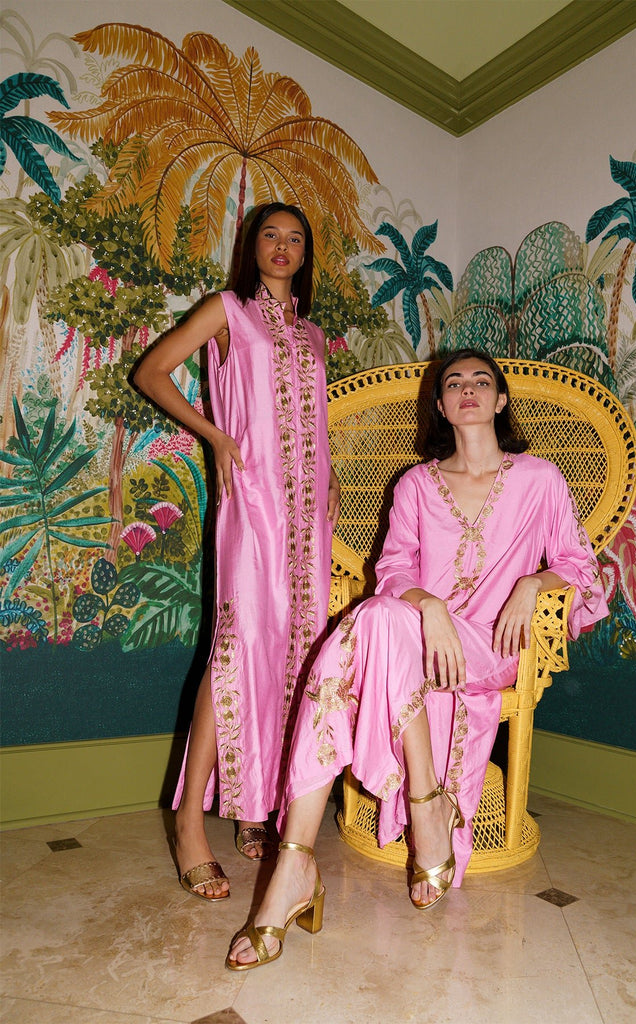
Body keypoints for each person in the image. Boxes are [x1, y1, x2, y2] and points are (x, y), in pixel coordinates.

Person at [226, 347, 608, 969]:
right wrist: (430, 607)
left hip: (489, 646)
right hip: (416, 640)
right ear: (441, 406)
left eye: (481, 381)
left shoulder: (540, 480)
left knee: (368, 631)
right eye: (454, 383)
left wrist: (530, 585)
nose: (468, 389)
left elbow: (578, 565)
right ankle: (376, 828)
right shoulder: (416, 485)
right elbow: (394, 572)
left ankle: (301, 866)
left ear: (500, 400)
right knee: (377, 621)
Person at [134, 203, 340, 900]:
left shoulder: (313, 334)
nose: (282, 247)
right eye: (270, 236)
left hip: (309, 513)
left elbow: (312, 421)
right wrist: (215, 437)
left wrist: (330, 477)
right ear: (251, 247)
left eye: (295, 238)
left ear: (305, 254)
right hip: (252, 502)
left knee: (295, 651)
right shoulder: (227, 311)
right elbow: (152, 372)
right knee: (238, 647)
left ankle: (257, 804)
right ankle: (188, 823)